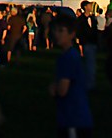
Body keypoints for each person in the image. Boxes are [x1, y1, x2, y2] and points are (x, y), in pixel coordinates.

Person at [49, 10, 93, 138]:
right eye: (55, 30)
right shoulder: (73, 55)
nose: (56, 34)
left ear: (72, 34)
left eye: (61, 31)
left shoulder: (67, 58)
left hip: (72, 118)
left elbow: (62, 89)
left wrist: (54, 88)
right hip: (77, 116)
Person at [76, 1, 98, 90]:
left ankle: (90, 83)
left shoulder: (93, 19)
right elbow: (79, 32)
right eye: (89, 5)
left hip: (92, 42)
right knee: (88, 64)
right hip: (85, 43)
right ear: (85, 7)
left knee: (91, 64)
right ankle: (88, 84)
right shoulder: (80, 20)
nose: (90, 7)